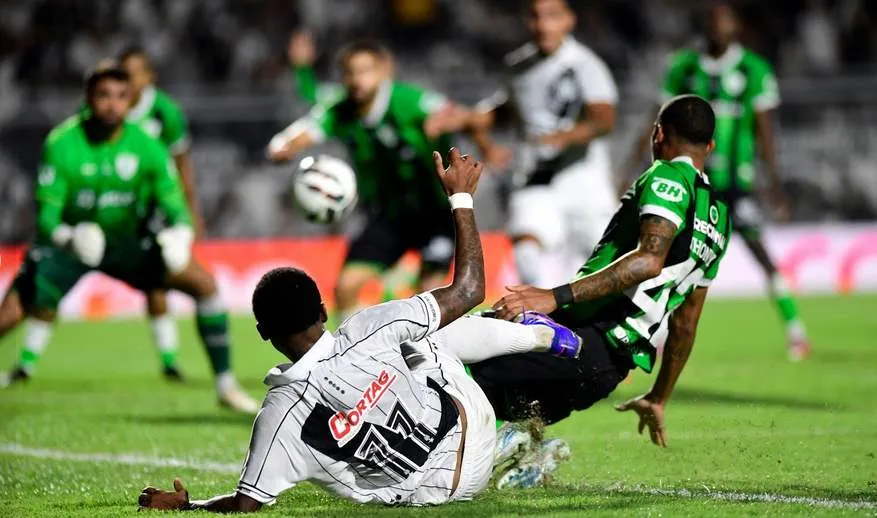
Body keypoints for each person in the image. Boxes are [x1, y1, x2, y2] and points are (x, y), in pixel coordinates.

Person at [136, 148, 582, 511]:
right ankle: (540, 337)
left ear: (263, 332)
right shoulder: (368, 327)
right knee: (423, 335)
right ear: (323, 310)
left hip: (435, 495)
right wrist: (461, 199)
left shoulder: (279, 415)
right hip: (472, 431)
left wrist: (186, 506)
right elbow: (468, 290)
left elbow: (244, 506)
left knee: (410, 349)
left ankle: (510, 453)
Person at [470, 95, 732, 488]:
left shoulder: (666, 178)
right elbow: (686, 323)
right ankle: (519, 450)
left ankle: (499, 448)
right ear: (709, 147)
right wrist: (659, 396)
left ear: (658, 134)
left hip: (579, 337)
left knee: (458, 364)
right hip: (607, 371)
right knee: (493, 411)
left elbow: (648, 259)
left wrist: (554, 296)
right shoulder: (720, 220)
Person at [0, 64, 258, 414]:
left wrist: (180, 234)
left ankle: (226, 386)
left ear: (130, 99)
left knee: (205, 284)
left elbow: (173, 201)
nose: (112, 105)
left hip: (128, 244)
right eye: (103, 96)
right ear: (89, 99)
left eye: (120, 97)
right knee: (10, 315)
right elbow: (45, 217)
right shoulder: (61, 144)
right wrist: (67, 236)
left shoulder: (148, 145)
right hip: (71, 247)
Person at [620, 3, 810, 360]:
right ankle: (650, 335)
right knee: (667, 255)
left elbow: (765, 130)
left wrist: (773, 182)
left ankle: (795, 329)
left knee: (760, 253)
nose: (717, 27)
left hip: (737, 184)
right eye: (711, 21)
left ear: (735, 25)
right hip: (691, 181)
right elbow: (657, 119)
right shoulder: (685, 68)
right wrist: (632, 166)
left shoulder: (753, 70)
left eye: (723, 20)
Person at [267, 40, 470, 323]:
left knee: (428, 295)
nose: (357, 80)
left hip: (434, 213)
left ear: (384, 72)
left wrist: (460, 126)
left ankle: (430, 364)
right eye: (350, 72)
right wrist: (285, 147)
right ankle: (356, 363)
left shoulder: (408, 100)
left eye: (365, 71)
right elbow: (308, 128)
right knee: (346, 287)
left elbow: (462, 116)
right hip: (389, 216)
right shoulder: (341, 109)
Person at [467, 0, 619, 288]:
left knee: (606, 263)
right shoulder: (519, 65)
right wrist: (480, 134)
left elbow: (605, 120)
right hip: (536, 175)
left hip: (582, 176)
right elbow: (507, 111)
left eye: (552, 16)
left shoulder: (586, 65)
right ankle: (541, 319)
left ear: (568, 21)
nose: (543, 25)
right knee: (525, 248)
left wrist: (564, 137)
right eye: (536, 17)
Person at [118, 46, 205, 380]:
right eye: (124, 73)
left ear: (149, 76)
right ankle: (27, 362)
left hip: (160, 206)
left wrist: (189, 210)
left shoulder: (165, 112)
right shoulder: (112, 107)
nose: (130, 80)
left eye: (136, 72)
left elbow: (183, 163)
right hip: (119, 208)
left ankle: (169, 359)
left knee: (164, 280)